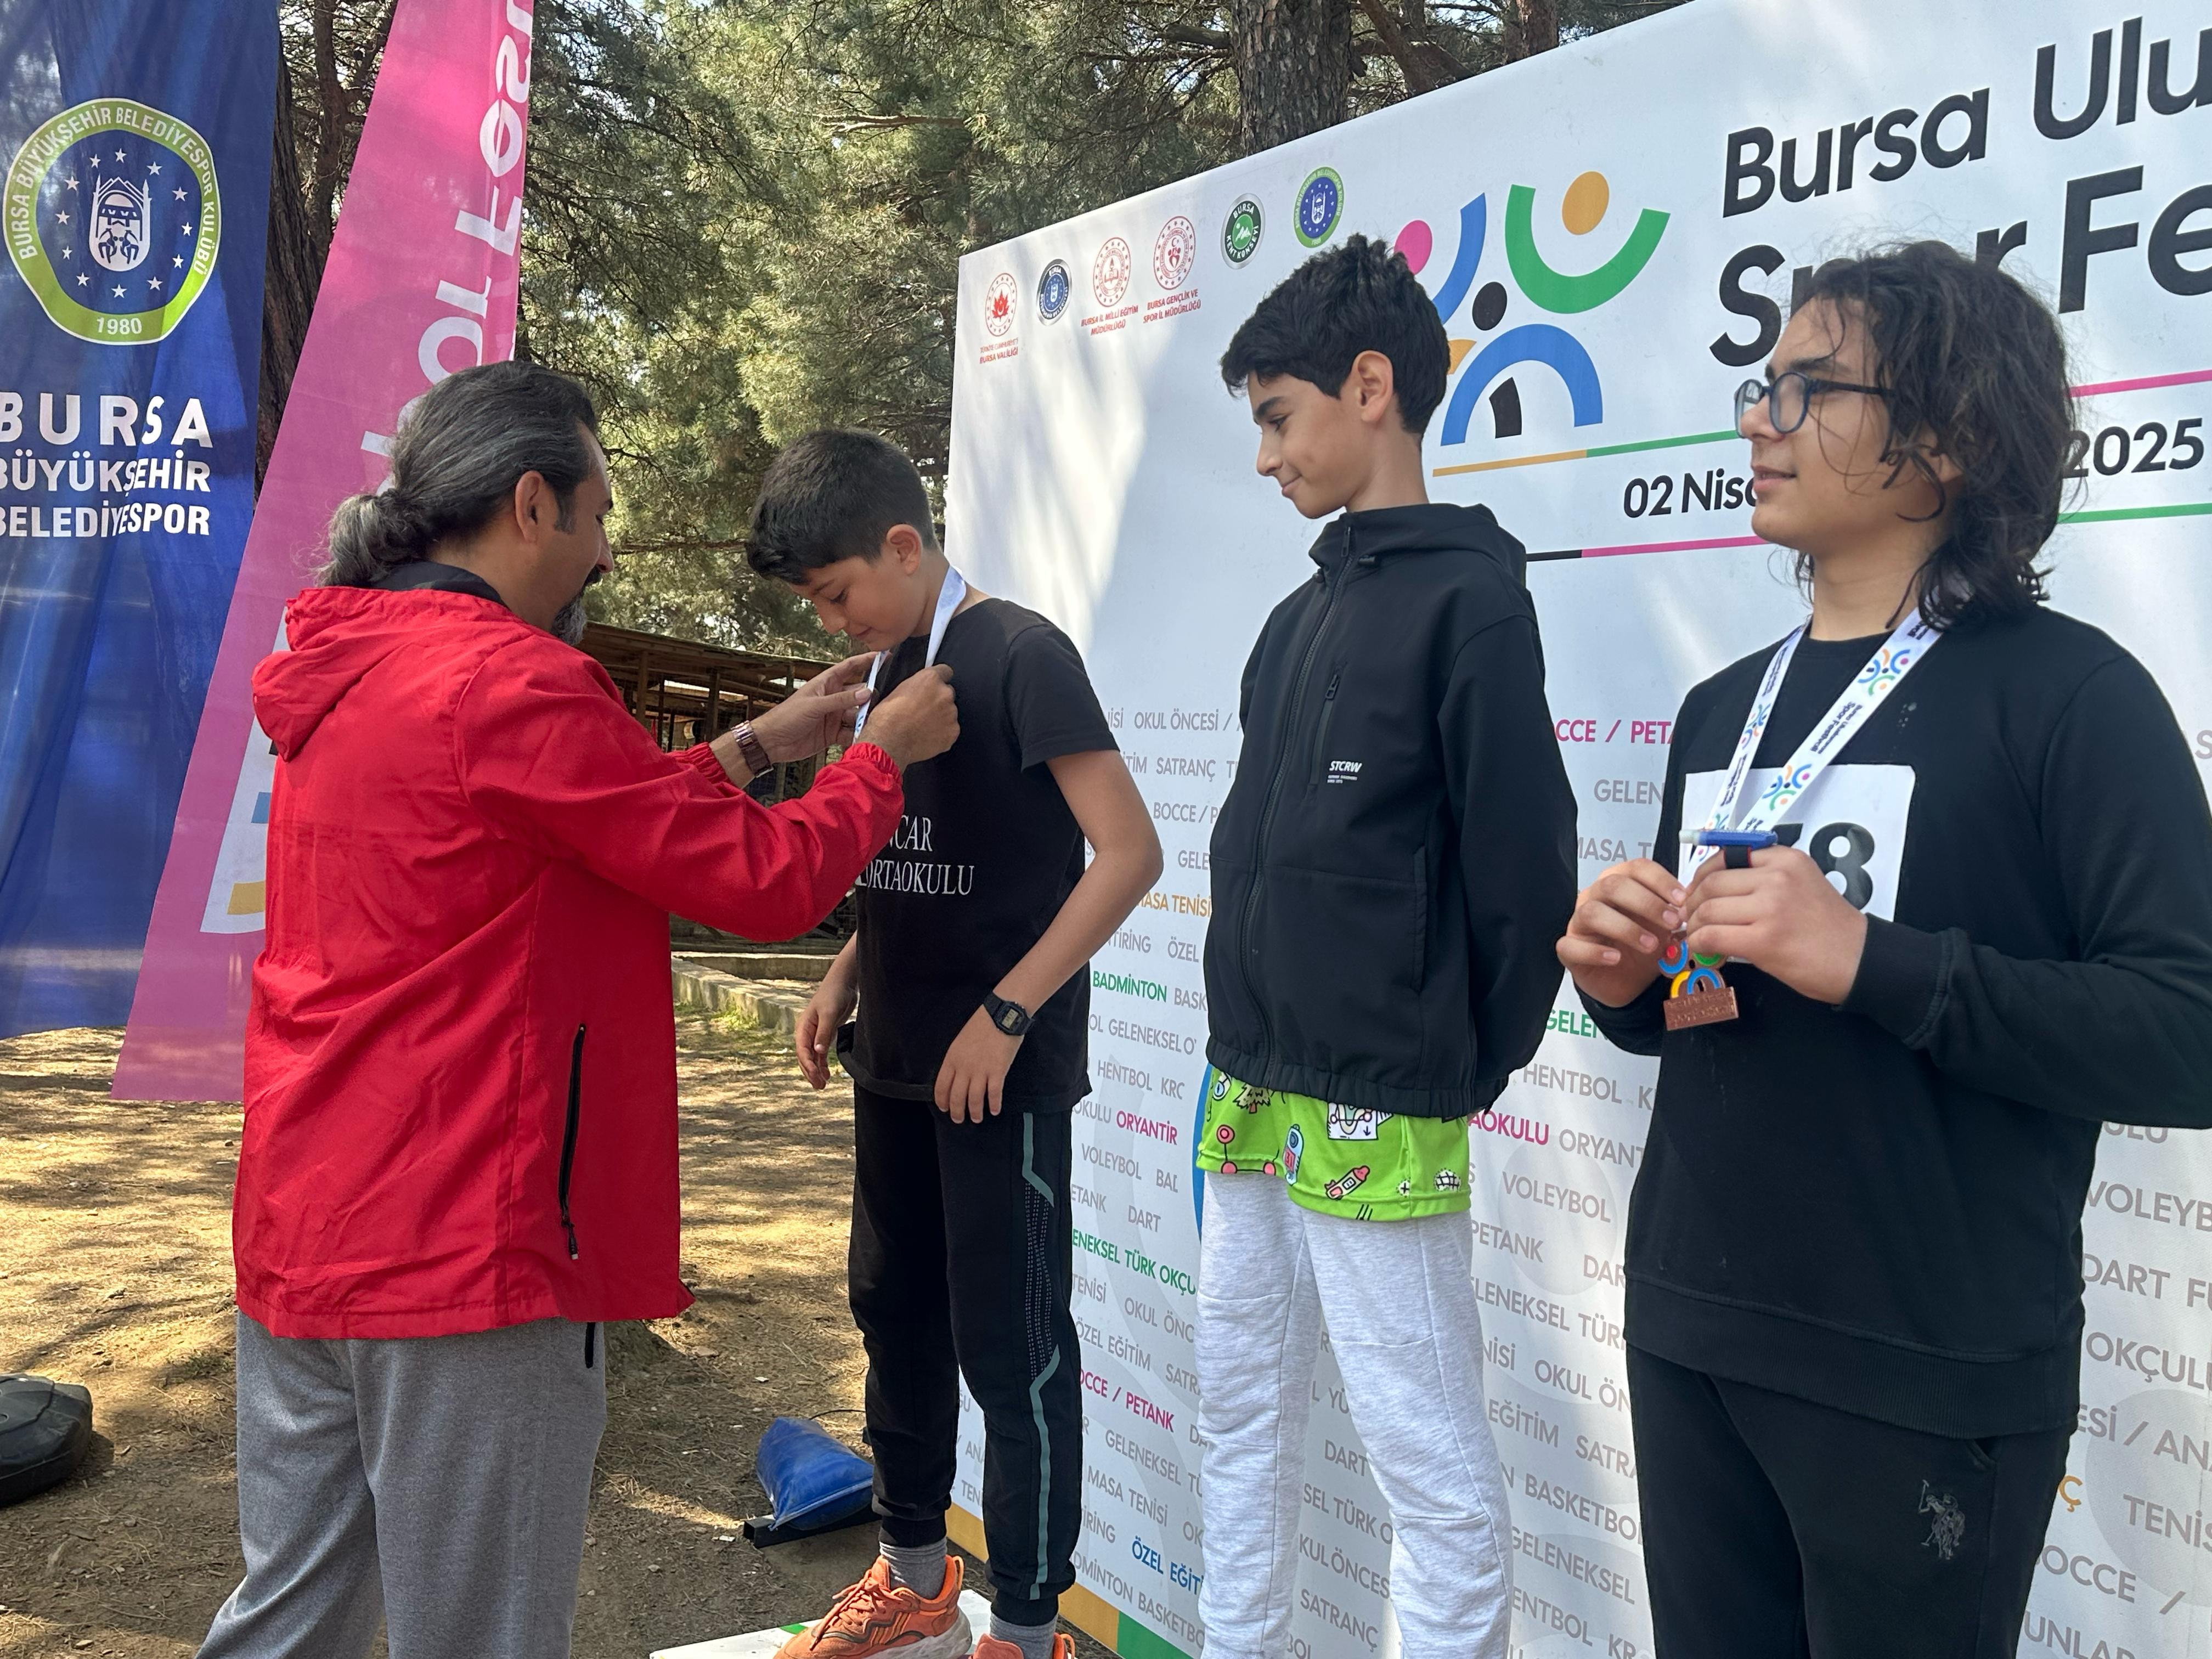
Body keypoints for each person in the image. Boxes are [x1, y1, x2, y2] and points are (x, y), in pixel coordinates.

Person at [196, 362, 959, 1659]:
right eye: (600, 515)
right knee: (482, 1633)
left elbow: (579, 821)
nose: (606, 551)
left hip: (309, 1223)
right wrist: (877, 764)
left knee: (291, 1616)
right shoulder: (509, 681)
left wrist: (760, 745)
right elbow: (763, 883)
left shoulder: (354, 666)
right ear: (531, 504)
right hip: (466, 1248)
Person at [1556, 242, 2212, 1657]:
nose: (1759, 418)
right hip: (1695, 1332)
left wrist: (1876, 960)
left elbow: (2187, 1031)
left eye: (1810, 387)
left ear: (1952, 437)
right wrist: (1629, 990)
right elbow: (1714, 1005)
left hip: (1926, 1379)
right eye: (1760, 386)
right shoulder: (1723, 710)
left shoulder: (2075, 698)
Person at [1195, 235, 1577, 1659]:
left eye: (1278, 418)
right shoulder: (1290, 621)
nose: (1264, 457)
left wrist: (1454, 1062)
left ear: (1370, 388)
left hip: (1382, 1098)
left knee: (1431, 1467)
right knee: (1241, 1411)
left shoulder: (1472, 603)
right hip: (1250, 1084)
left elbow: (1525, 865)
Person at [750, 430, 1161, 1659]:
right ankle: (915, 1576)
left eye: (837, 593)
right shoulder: (886, 674)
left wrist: (1010, 1010)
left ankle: (1028, 1629)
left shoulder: (1022, 652)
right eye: (815, 605)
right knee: (894, 1314)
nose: (832, 623)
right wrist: (843, 974)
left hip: (999, 1077)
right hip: (893, 1061)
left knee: (1012, 1349)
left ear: (902, 545)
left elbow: (1129, 854)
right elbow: (901, 853)